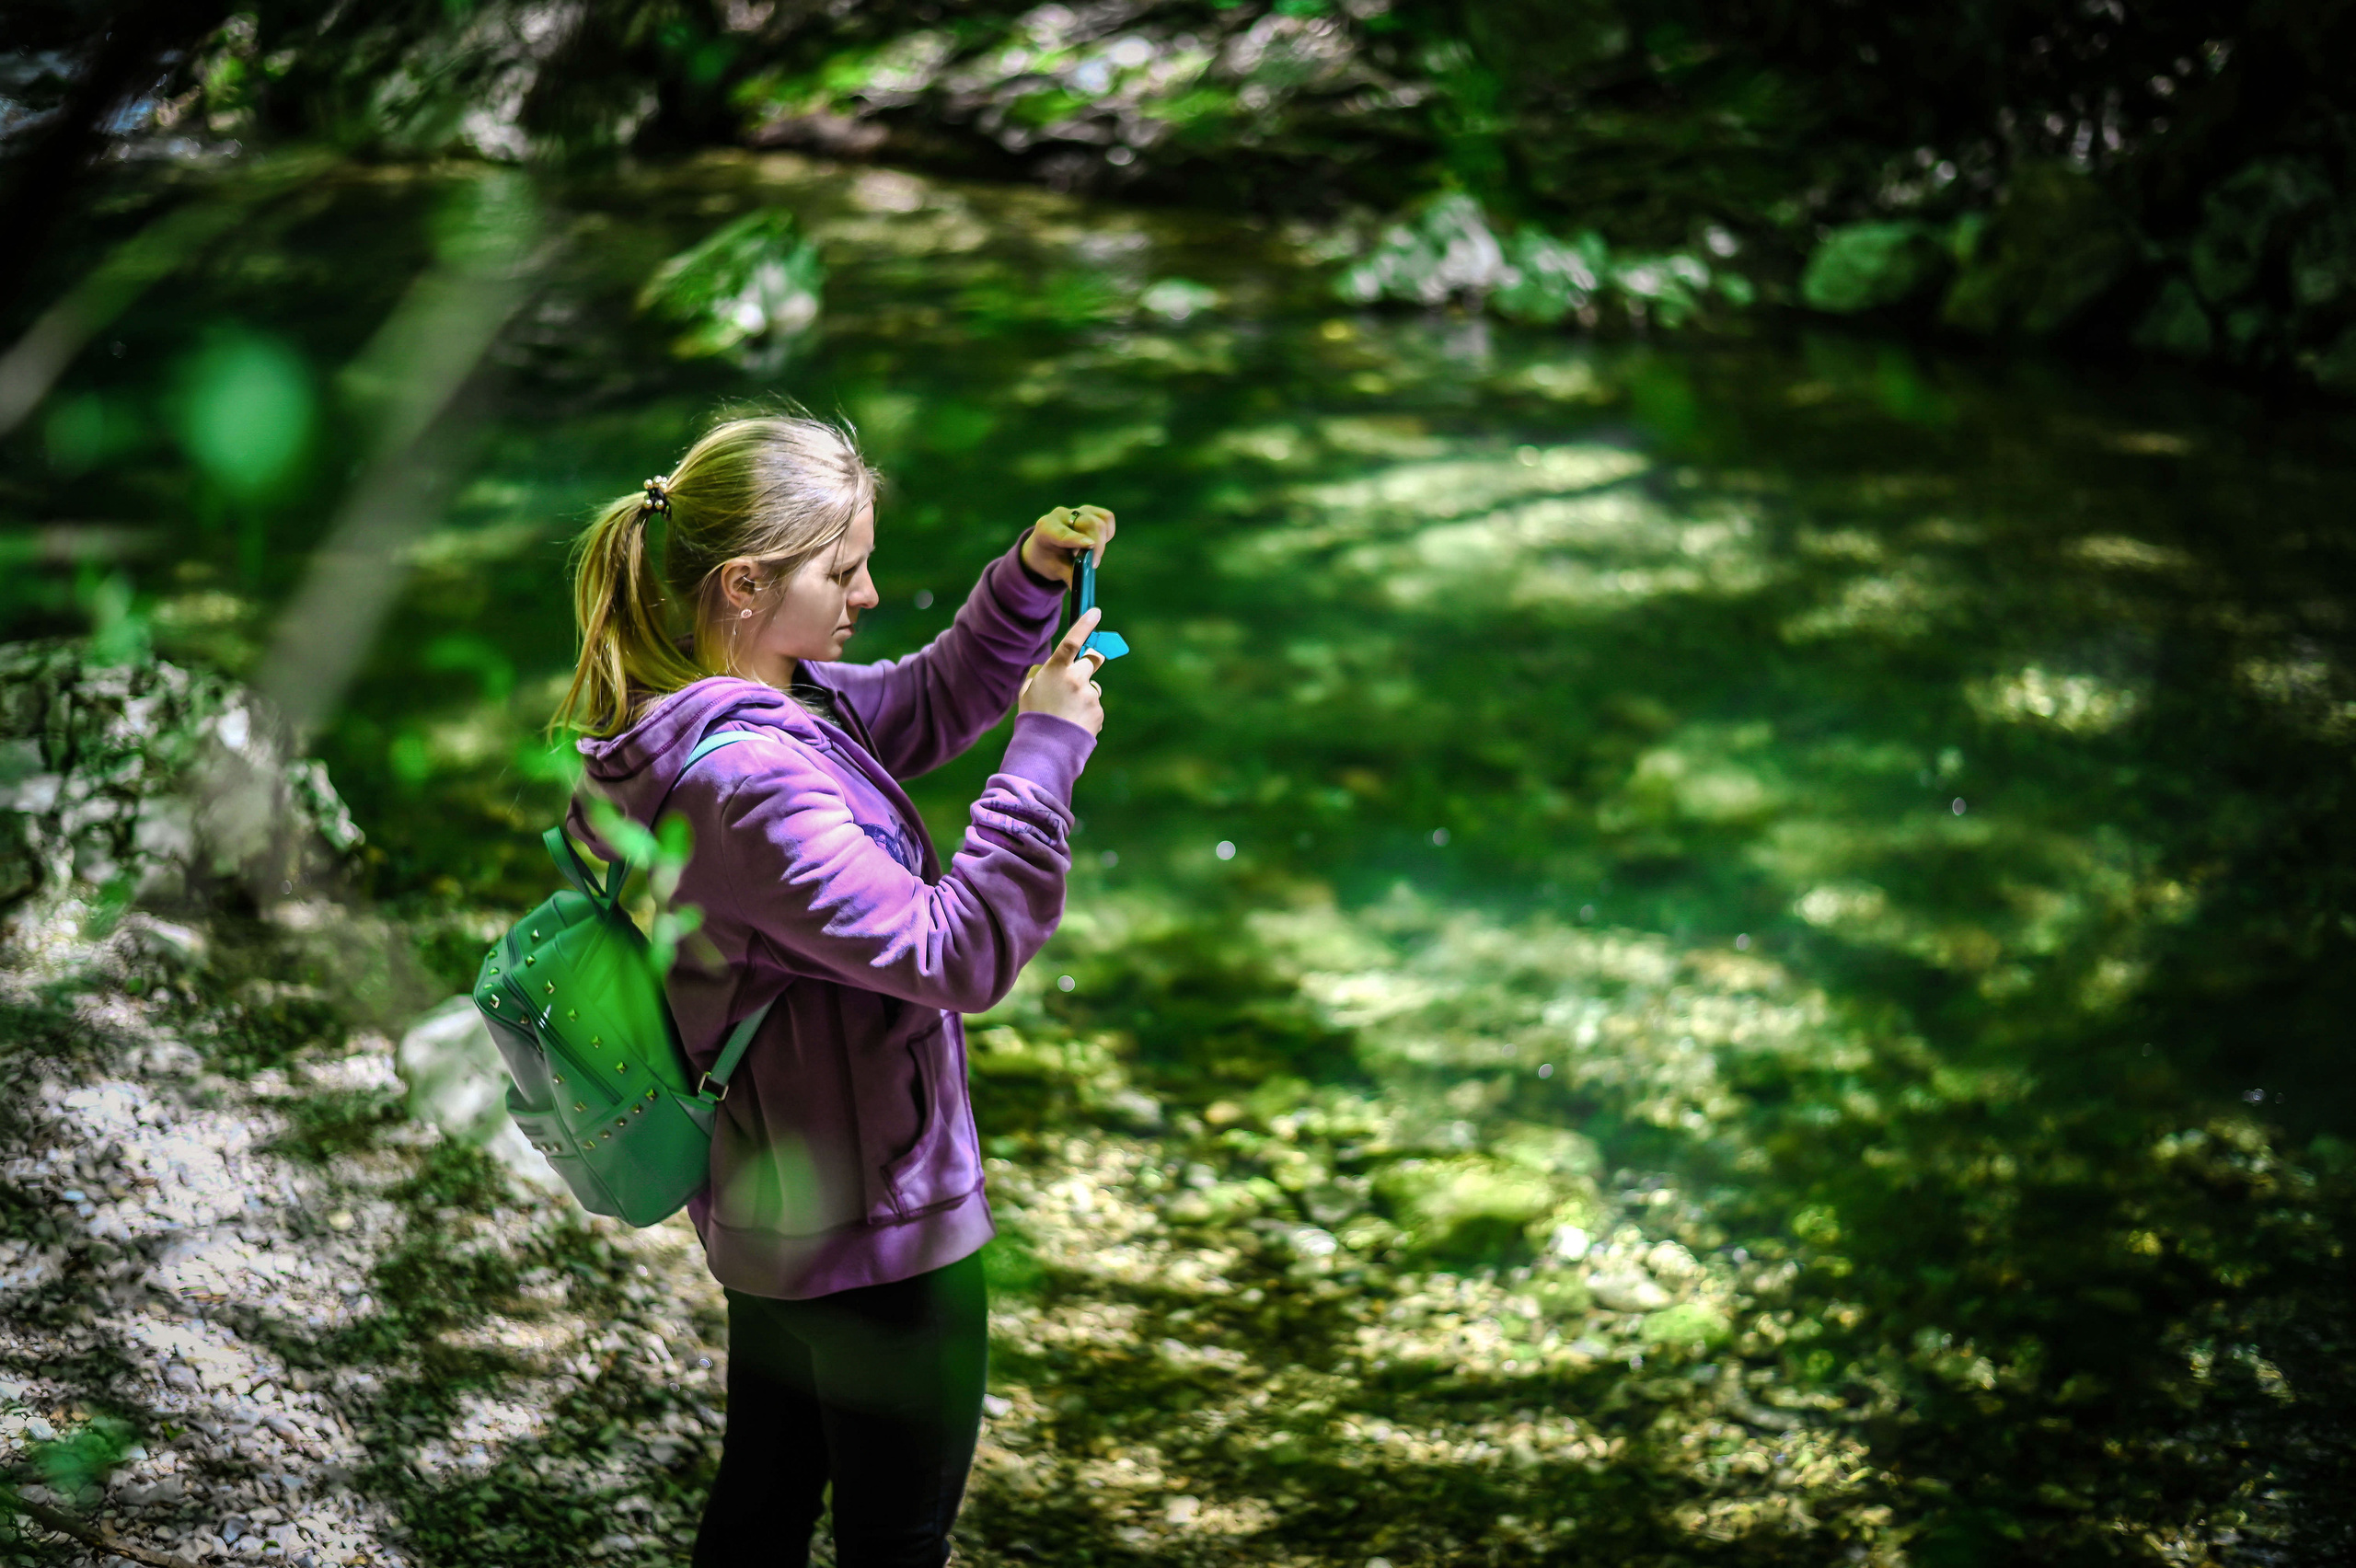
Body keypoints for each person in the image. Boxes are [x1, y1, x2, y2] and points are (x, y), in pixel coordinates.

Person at [549, 411, 1114, 1567]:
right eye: (842, 570)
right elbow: (959, 953)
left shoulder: (751, 712)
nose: (866, 592)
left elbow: (919, 699)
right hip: (881, 1239)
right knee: (892, 1541)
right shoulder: (753, 786)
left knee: (761, 1501)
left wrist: (1019, 586)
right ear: (747, 583)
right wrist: (1044, 752)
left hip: (781, 1207)